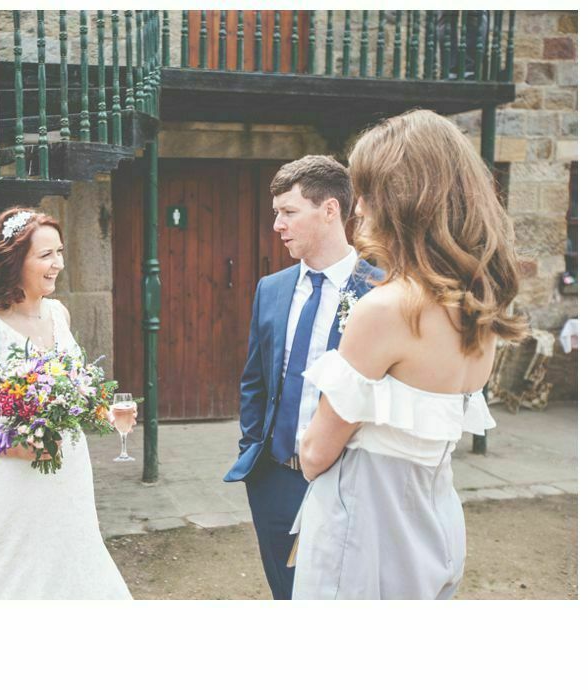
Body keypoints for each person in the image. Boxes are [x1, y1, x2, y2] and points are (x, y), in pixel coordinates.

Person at [291, 109, 523, 599]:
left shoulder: (389, 309)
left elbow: (315, 453)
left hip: (366, 530)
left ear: (402, 200)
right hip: (434, 518)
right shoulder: (481, 310)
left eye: (367, 191)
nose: (358, 209)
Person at [0, 207, 130, 600]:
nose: (57, 264)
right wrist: (13, 445)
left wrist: (103, 411)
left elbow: (71, 392)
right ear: (14, 261)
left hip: (68, 474)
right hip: (10, 481)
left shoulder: (58, 314)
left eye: (59, 252)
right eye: (46, 256)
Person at [223, 155, 383, 600]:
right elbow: (255, 380)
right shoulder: (270, 288)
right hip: (274, 478)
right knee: (286, 594)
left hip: (348, 479)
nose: (277, 224)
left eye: (288, 212)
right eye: (277, 212)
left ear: (330, 210)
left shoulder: (380, 289)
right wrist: (253, 447)